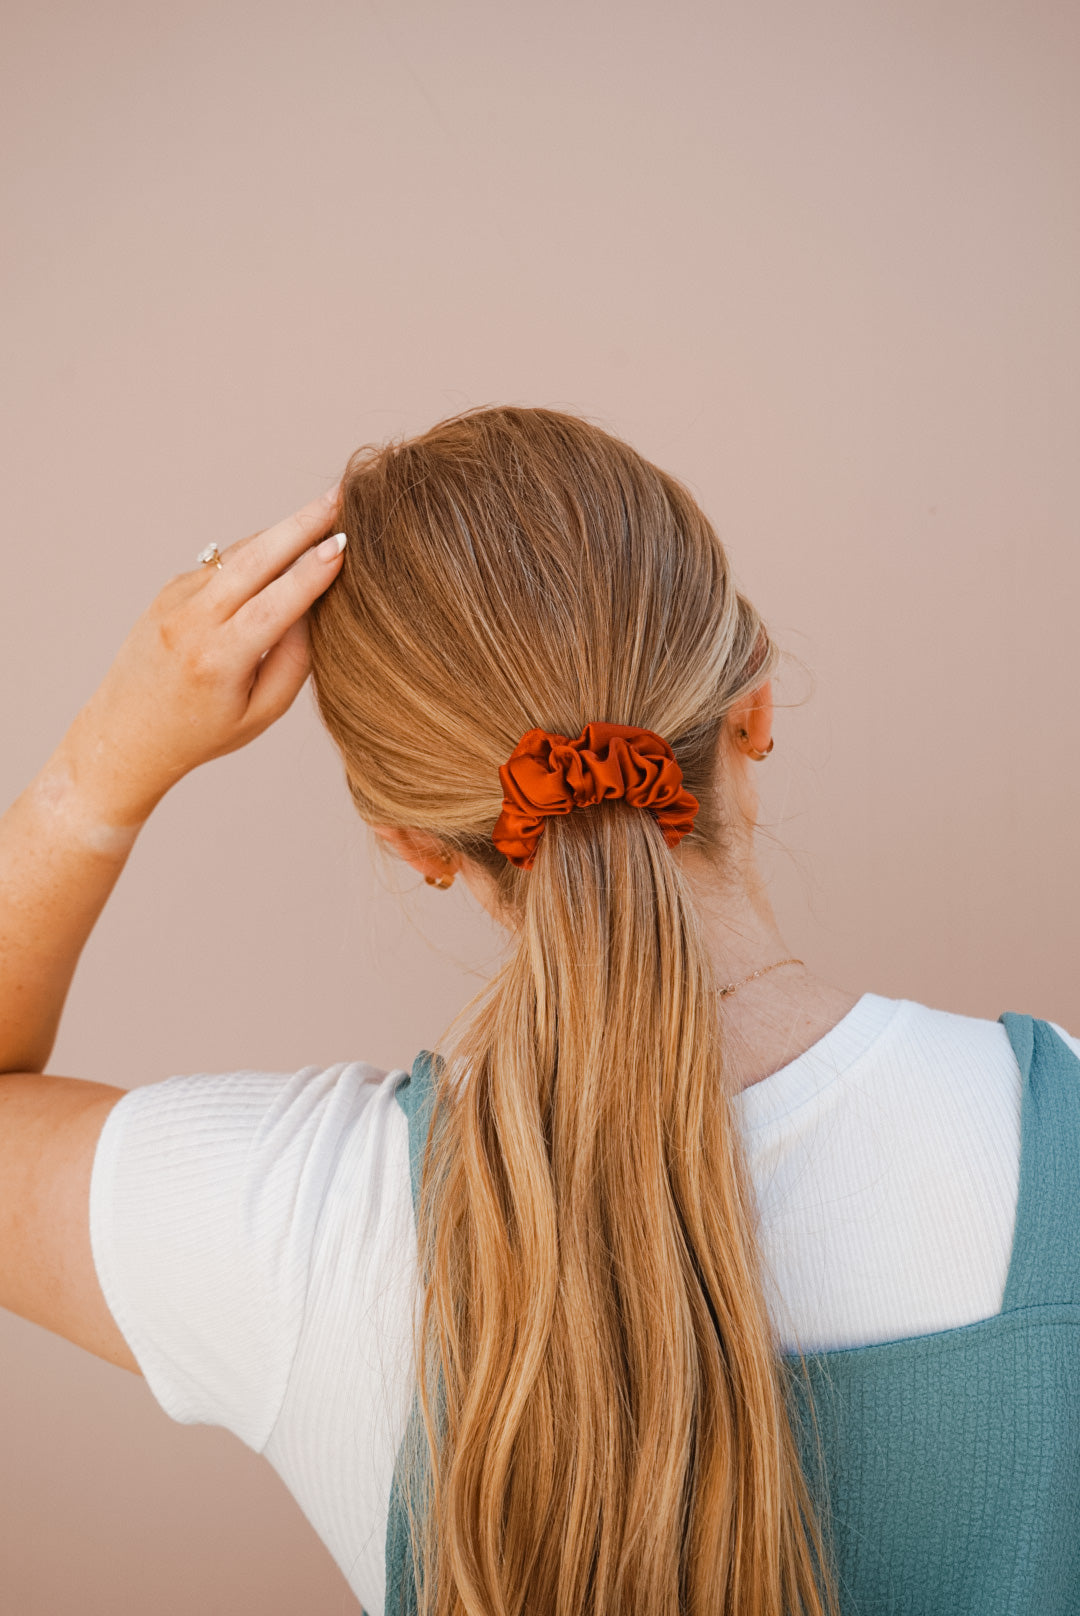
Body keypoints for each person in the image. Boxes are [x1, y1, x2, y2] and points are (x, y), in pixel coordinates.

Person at [0, 406, 1077, 1616]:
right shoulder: (1064, 1131)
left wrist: (106, 760)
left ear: (408, 839)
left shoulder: (298, 1222)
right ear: (755, 704)